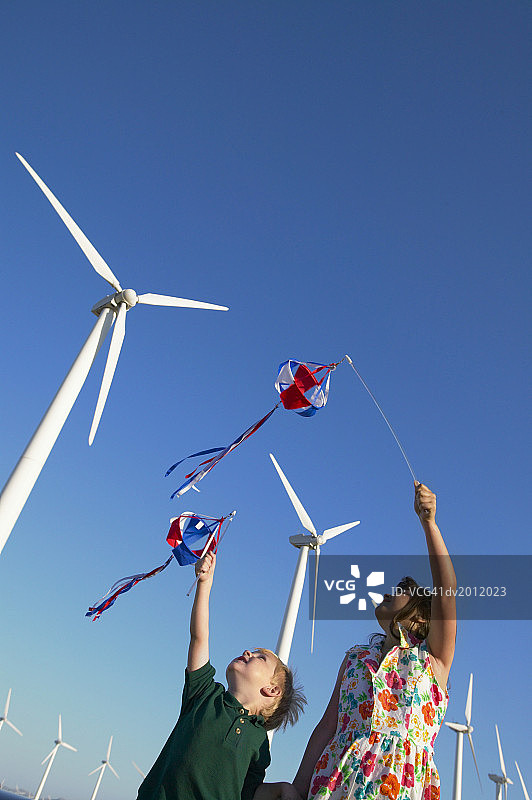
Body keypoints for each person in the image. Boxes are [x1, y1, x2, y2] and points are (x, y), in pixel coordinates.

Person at [292, 481, 456, 800]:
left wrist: (429, 524)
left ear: (422, 617)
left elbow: (447, 592)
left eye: (401, 591)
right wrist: (299, 787)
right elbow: (327, 726)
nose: (388, 592)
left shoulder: (432, 659)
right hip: (335, 783)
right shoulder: (355, 658)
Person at [136, 550, 306, 800]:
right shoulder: (204, 693)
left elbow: (249, 793)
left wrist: (283, 788)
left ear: (272, 690)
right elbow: (199, 637)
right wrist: (205, 584)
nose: (248, 652)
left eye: (260, 657)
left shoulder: (259, 743)